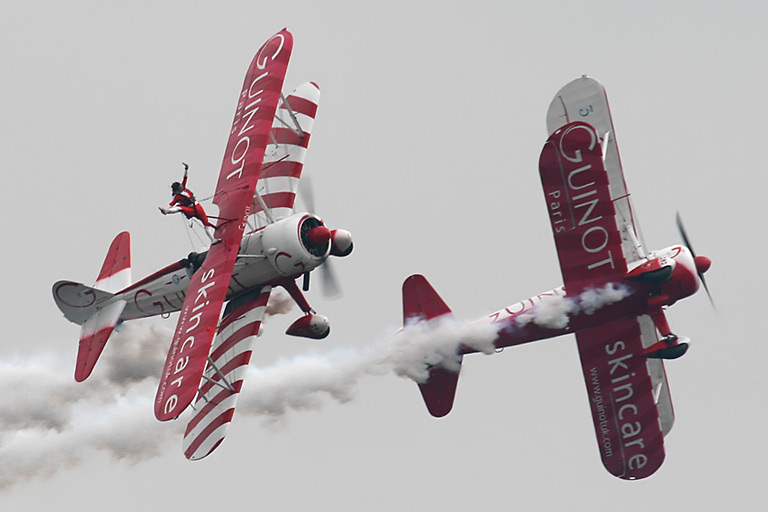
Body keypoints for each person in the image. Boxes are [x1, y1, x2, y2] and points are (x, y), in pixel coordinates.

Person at [159, 163, 219, 243]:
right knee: (180, 208)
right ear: (177, 189)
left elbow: (185, 178)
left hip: (197, 207)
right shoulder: (177, 196)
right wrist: (167, 209)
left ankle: (213, 238)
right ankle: (167, 211)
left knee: (206, 224)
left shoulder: (183, 187)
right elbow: (171, 204)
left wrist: (186, 169)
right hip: (190, 209)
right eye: (180, 186)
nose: (182, 186)